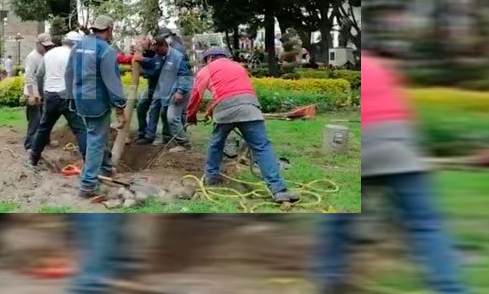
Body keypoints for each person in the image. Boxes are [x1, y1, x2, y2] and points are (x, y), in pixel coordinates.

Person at [316, 50, 467, 294]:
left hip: (365, 148)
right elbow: (407, 113)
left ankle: (329, 278)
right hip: (400, 147)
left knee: (338, 219)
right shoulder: (383, 68)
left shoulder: (354, 74)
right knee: (426, 225)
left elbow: (340, 122)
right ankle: (451, 288)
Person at [186, 46, 299, 203]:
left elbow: (196, 95)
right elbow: (234, 91)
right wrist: (210, 110)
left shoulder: (207, 69)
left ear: (210, 58)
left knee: (216, 144)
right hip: (250, 107)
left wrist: (190, 116)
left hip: (225, 110)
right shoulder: (238, 67)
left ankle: (211, 178)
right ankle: (279, 190)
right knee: (262, 147)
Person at [30, 31, 113, 175]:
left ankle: (33, 158)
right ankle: (90, 164)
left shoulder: (49, 54)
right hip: (66, 96)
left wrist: (42, 93)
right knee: (80, 129)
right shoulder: (73, 55)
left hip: (50, 95)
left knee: (44, 128)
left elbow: (39, 75)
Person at [65, 15, 127, 198]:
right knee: (96, 140)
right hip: (97, 101)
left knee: (97, 134)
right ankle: (88, 184)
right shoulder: (106, 51)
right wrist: (120, 107)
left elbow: (69, 74)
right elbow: (113, 82)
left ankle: (106, 169)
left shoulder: (77, 47)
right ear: (109, 29)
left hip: (81, 100)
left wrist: (70, 98)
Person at [137, 35, 193, 149]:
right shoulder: (160, 56)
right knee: (163, 114)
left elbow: (185, 75)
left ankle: (184, 143)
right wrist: (142, 60)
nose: (156, 52)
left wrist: (180, 91)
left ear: (164, 45)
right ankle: (168, 139)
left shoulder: (177, 57)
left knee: (172, 117)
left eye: (157, 49)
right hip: (167, 91)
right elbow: (153, 63)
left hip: (179, 91)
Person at [23, 33, 55, 152]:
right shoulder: (32, 57)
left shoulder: (46, 55)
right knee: (35, 121)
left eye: (48, 46)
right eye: (44, 46)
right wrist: (32, 95)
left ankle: (44, 141)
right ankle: (30, 145)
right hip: (34, 93)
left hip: (43, 93)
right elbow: (29, 76)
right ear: (38, 44)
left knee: (45, 119)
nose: (47, 48)